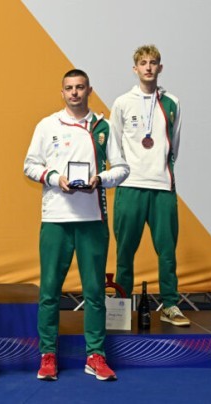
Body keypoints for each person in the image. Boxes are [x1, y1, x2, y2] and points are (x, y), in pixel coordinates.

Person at [24, 69, 129, 382]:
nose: (74, 93)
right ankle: (48, 355)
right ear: (62, 92)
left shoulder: (103, 127)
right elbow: (30, 165)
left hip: (92, 220)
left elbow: (122, 168)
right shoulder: (47, 125)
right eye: (69, 88)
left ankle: (95, 355)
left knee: (94, 292)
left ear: (89, 90)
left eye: (80, 87)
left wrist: (101, 179)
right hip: (55, 219)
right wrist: (55, 178)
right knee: (49, 291)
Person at [109, 45, 189, 327]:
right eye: (143, 63)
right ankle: (120, 308)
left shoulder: (172, 102)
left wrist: (159, 169)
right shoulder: (122, 103)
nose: (148, 67)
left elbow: (173, 145)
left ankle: (170, 304)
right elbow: (114, 145)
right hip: (130, 186)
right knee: (125, 252)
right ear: (135, 69)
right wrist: (124, 173)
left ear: (160, 68)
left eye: (153, 62)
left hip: (161, 187)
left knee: (167, 252)